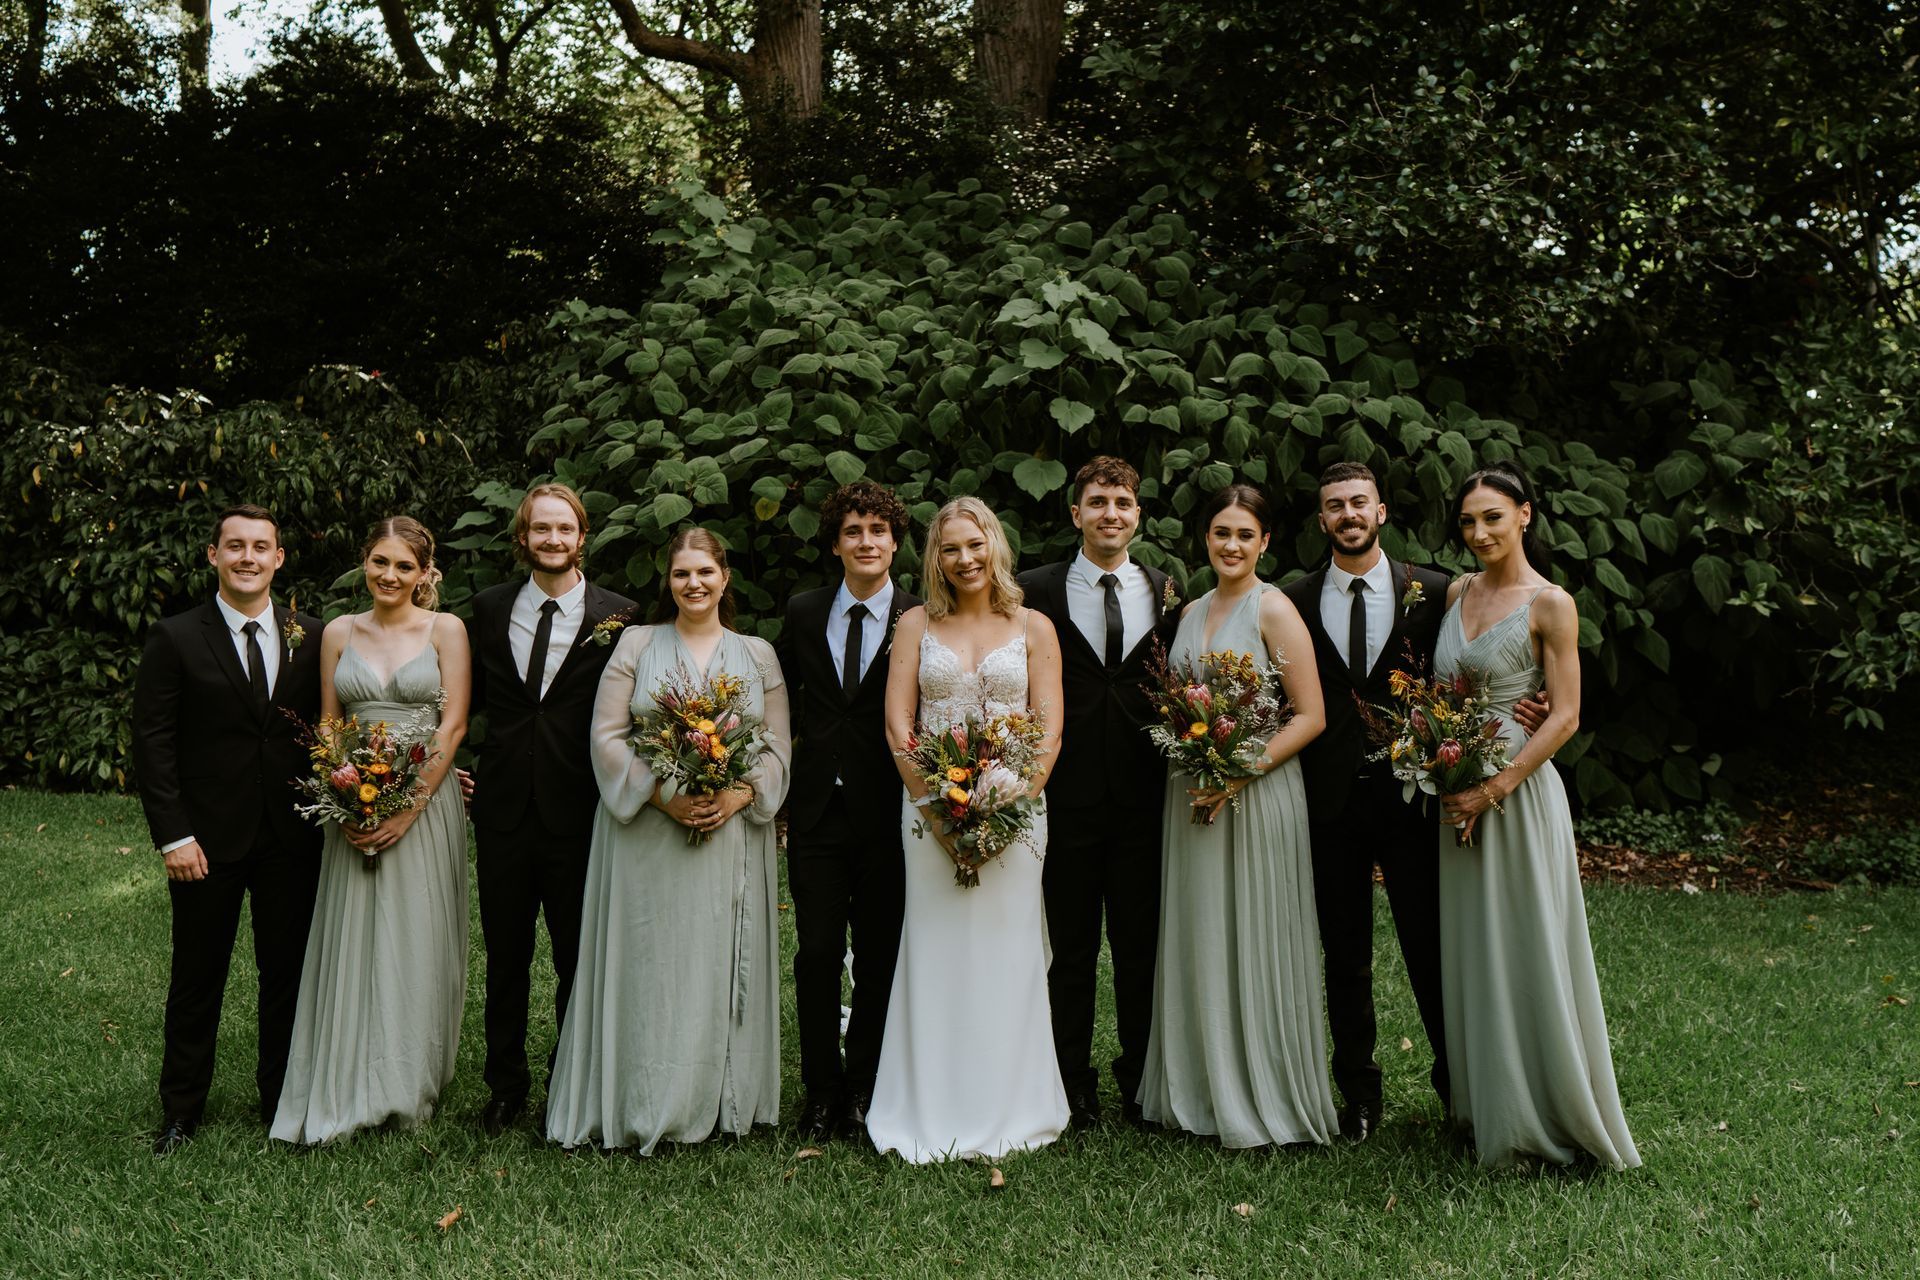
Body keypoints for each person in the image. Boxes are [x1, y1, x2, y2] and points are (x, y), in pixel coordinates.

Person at [545, 527, 790, 1152]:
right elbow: (606, 735)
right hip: (647, 836)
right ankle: (643, 1097)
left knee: (713, 962)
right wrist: (662, 795)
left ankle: (718, 1104)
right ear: (670, 583)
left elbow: (778, 746)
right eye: (682, 574)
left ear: (725, 578)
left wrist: (738, 796)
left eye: (705, 572)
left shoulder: (758, 654)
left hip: (730, 835)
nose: (694, 583)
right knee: (653, 965)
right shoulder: (637, 643)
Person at [1435, 465, 1639, 1170]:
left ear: (1525, 515)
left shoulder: (1551, 604)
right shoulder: (1458, 592)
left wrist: (1493, 788)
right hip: (1454, 785)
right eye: (1467, 522)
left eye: (1493, 517)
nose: (1480, 532)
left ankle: (1543, 1111)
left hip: (1515, 796)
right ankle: (1484, 1103)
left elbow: (1566, 715)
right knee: (1474, 947)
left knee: (1525, 944)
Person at [867, 497, 1069, 1162]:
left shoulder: (1034, 626)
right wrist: (936, 807)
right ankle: (929, 1102)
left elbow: (1049, 731)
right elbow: (900, 726)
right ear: (935, 559)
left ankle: (1014, 1103)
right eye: (950, 548)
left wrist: (1009, 809)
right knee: (937, 948)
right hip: (930, 816)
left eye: (975, 545)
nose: (965, 558)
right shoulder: (915, 624)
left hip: (1016, 814)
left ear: (996, 548)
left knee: (1006, 955)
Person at [1137, 484, 1337, 1147]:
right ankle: (1197, 1091)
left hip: (1257, 791)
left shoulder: (1274, 609)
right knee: (1201, 931)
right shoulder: (1190, 610)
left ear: (1266, 543)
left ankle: (1266, 1096)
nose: (1231, 545)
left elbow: (1311, 715)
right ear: (1206, 537)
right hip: (1192, 792)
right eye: (1221, 532)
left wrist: (1238, 770)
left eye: (1245, 535)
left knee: (1255, 930)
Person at [269, 517, 470, 1144]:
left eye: (403, 566)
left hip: (425, 802)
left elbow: (453, 725)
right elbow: (329, 725)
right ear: (365, 562)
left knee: (415, 935)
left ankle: (405, 1086)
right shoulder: (337, 632)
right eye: (380, 562)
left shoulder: (448, 630)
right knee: (352, 937)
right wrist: (347, 795)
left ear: (424, 574)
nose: (389, 576)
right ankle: (347, 1073)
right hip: (352, 803)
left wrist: (408, 804)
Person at [132, 505, 325, 1155]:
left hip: (291, 836)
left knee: (288, 975)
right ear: (213, 556)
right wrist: (173, 835)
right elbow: (152, 742)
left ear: (279, 559)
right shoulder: (176, 636)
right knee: (197, 974)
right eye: (234, 546)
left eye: (260, 547)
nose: (247, 557)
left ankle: (282, 1100)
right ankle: (182, 1109)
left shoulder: (313, 635)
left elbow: (330, 730)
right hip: (206, 841)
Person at [465, 483, 637, 1136]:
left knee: (576, 956)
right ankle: (504, 1087)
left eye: (565, 530)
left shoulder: (619, 614)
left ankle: (570, 1083)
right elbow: (464, 700)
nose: (554, 540)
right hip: (503, 806)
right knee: (505, 958)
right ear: (523, 538)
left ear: (582, 537)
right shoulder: (487, 608)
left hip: (581, 807)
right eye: (541, 530)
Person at [1017, 457, 1175, 1127]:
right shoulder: (1033, 590)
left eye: (1122, 502)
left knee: (1142, 948)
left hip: (1145, 795)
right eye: (1098, 502)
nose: (1111, 513)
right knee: (1070, 949)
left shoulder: (1167, 589)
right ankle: (1071, 1082)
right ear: (1075, 513)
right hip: (1066, 792)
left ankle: (1140, 1080)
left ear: (1138, 515)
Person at [778, 482, 922, 1138]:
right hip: (815, 812)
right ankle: (820, 1089)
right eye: (854, 531)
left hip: (889, 812)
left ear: (895, 542)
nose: (867, 542)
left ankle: (864, 1086)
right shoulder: (805, 612)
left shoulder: (919, 617)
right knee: (815, 953)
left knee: (879, 952)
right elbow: (781, 704)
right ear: (835, 542)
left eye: (878, 531)